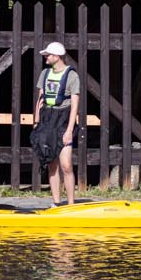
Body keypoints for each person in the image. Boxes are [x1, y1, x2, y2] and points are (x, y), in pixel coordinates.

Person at [30, 41, 81, 206]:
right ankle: (57, 202)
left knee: (66, 165)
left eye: (48, 55)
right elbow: (40, 98)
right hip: (47, 119)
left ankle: (71, 204)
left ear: (56, 57)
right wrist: (37, 122)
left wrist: (69, 130)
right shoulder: (44, 74)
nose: (45, 57)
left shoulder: (72, 76)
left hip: (63, 119)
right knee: (51, 163)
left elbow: (74, 106)